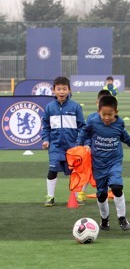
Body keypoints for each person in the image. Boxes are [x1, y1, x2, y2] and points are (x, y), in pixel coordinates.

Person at [77, 96, 130, 231]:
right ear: (98, 112)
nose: (107, 117)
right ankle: (104, 219)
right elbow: (83, 133)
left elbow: (125, 136)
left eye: (110, 114)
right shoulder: (94, 123)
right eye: (104, 114)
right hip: (99, 164)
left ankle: (122, 217)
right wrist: (78, 146)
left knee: (116, 187)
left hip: (114, 161)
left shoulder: (119, 124)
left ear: (116, 112)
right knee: (101, 194)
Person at [41, 77, 85, 207]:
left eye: (64, 89)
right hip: (55, 146)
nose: (61, 92)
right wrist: (46, 140)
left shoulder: (75, 106)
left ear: (69, 90)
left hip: (72, 147)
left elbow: (82, 126)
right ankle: (50, 197)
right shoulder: (49, 107)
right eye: (58, 89)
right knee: (52, 170)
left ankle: (76, 197)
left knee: (74, 172)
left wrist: (80, 142)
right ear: (53, 90)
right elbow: (46, 127)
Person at [77, 89, 113, 205]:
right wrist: (86, 144)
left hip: (107, 151)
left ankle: (105, 192)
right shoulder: (92, 118)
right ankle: (81, 193)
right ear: (97, 103)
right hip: (93, 150)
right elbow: (86, 133)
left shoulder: (113, 118)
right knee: (88, 171)